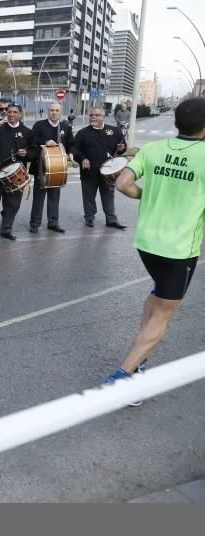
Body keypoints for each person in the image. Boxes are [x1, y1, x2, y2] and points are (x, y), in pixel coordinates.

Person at [106, 97, 205, 405]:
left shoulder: (153, 149)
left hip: (147, 244)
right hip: (178, 250)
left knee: (157, 296)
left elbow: (122, 183)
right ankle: (122, 378)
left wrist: (147, 197)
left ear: (175, 123)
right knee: (163, 316)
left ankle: (140, 359)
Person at [0, 103, 37, 241]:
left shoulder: (27, 132)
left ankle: (6, 229)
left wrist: (26, 153)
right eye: (9, 112)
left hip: (16, 177)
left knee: (12, 205)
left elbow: (35, 151)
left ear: (21, 114)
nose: (11, 114)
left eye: (15, 112)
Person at [73, 107, 127, 229]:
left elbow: (122, 149)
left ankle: (111, 219)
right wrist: (82, 159)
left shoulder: (114, 131)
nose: (93, 117)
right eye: (92, 115)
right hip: (89, 171)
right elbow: (75, 150)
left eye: (97, 115)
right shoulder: (82, 133)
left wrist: (121, 147)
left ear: (103, 117)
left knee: (108, 196)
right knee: (89, 196)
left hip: (108, 171)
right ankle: (89, 218)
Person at [29, 102, 74, 234]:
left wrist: (71, 153)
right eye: (52, 110)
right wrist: (45, 143)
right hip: (41, 166)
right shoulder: (39, 125)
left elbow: (71, 143)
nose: (54, 113)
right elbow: (32, 142)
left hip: (58, 166)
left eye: (57, 111)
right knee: (39, 197)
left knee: (54, 196)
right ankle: (35, 223)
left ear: (61, 112)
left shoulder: (65, 126)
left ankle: (53, 222)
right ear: (48, 112)